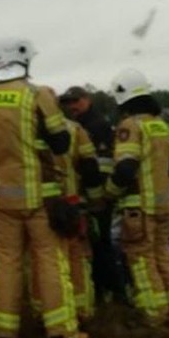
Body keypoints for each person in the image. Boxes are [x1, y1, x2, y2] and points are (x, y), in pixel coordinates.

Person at [0, 38, 86, 338]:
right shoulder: (36, 95)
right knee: (49, 261)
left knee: (7, 264)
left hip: (3, 199)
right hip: (39, 198)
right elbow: (61, 143)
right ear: (23, 61)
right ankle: (60, 331)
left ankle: (5, 333)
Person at [104, 68, 169, 326]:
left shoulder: (130, 126)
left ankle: (154, 314)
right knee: (162, 257)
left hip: (139, 207)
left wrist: (109, 192)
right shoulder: (160, 126)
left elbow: (125, 168)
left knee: (141, 262)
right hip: (163, 205)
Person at [59, 86, 127, 305]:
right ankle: (101, 293)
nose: (72, 106)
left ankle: (117, 293)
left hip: (98, 199)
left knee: (101, 247)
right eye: (68, 103)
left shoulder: (97, 126)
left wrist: (98, 198)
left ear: (87, 100)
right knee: (94, 249)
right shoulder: (81, 126)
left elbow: (101, 166)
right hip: (87, 198)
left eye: (76, 101)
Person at [50, 118, 102, 324]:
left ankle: (52, 315)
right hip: (71, 205)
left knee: (48, 263)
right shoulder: (75, 129)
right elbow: (89, 166)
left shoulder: (24, 125)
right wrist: (96, 200)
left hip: (41, 206)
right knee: (78, 261)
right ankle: (83, 312)